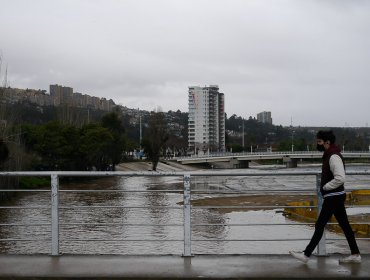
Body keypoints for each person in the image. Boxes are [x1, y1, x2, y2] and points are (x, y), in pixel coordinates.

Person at [290, 130, 361, 264]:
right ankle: (356, 254)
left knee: (320, 224)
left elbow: (340, 178)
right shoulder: (330, 154)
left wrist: (325, 187)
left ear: (327, 142)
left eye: (319, 142)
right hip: (336, 196)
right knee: (345, 226)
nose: (318, 144)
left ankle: (306, 255)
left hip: (334, 196)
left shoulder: (333, 156)